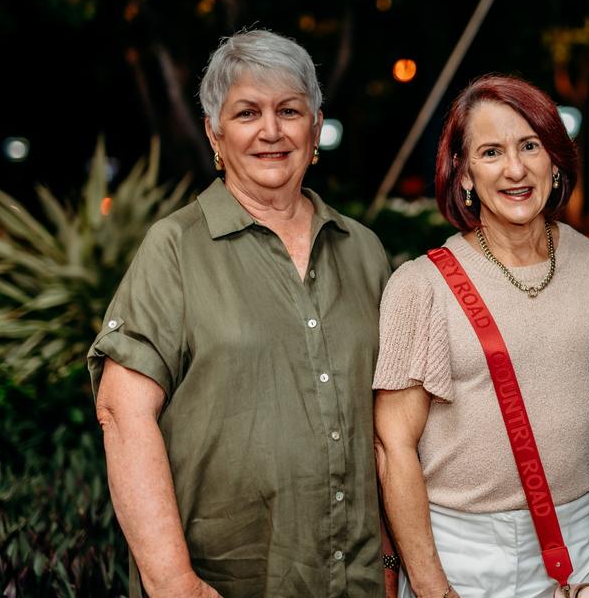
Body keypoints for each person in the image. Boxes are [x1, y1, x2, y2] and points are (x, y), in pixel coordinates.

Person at [88, 29, 392, 598]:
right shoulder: (175, 247)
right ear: (214, 132)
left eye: (289, 111)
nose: (272, 131)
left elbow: (394, 426)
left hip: (359, 581)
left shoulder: (364, 250)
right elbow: (122, 414)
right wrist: (176, 584)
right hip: (225, 581)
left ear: (316, 126)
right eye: (247, 112)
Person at [373, 75, 589, 598]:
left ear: (555, 162)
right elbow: (391, 446)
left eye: (530, 145)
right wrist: (430, 584)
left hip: (578, 550)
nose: (515, 169)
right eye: (491, 152)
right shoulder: (421, 285)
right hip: (459, 556)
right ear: (464, 174)